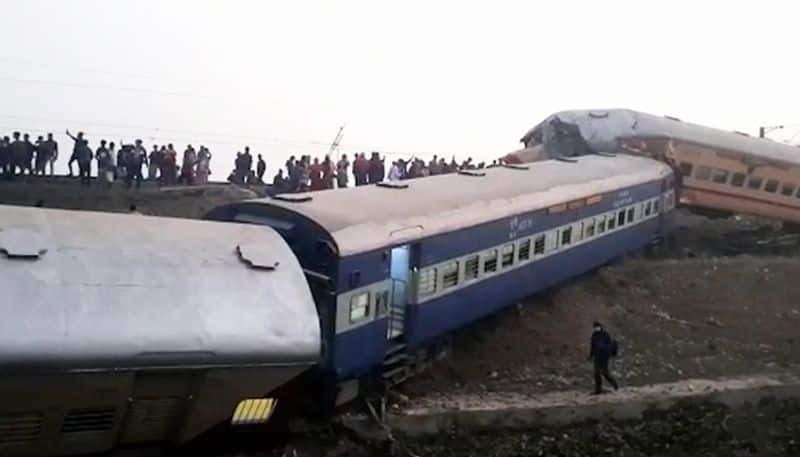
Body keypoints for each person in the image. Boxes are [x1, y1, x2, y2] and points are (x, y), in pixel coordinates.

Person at [589, 321, 619, 395]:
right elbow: (593, 347)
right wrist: (591, 356)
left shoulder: (605, 334)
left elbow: (609, 345)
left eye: (597, 326)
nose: (596, 328)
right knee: (597, 373)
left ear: (600, 326)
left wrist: (608, 353)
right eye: (595, 327)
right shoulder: (594, 335)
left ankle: (615, 385)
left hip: (604, 357)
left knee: (605, 373)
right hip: (597, 356)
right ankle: (598, 389)